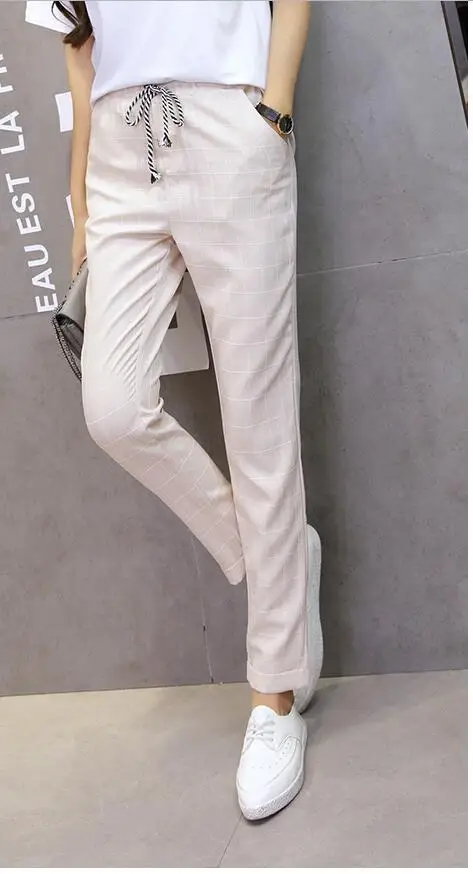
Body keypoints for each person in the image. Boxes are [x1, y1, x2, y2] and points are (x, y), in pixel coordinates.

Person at [47, 0, 323, 820]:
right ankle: (282, 559)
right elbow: (80, 46)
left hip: (228, 124)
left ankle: (273, 694)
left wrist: (274, 111)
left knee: (258, 421)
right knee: (113, 407)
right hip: (117, 154)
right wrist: (81, 202)